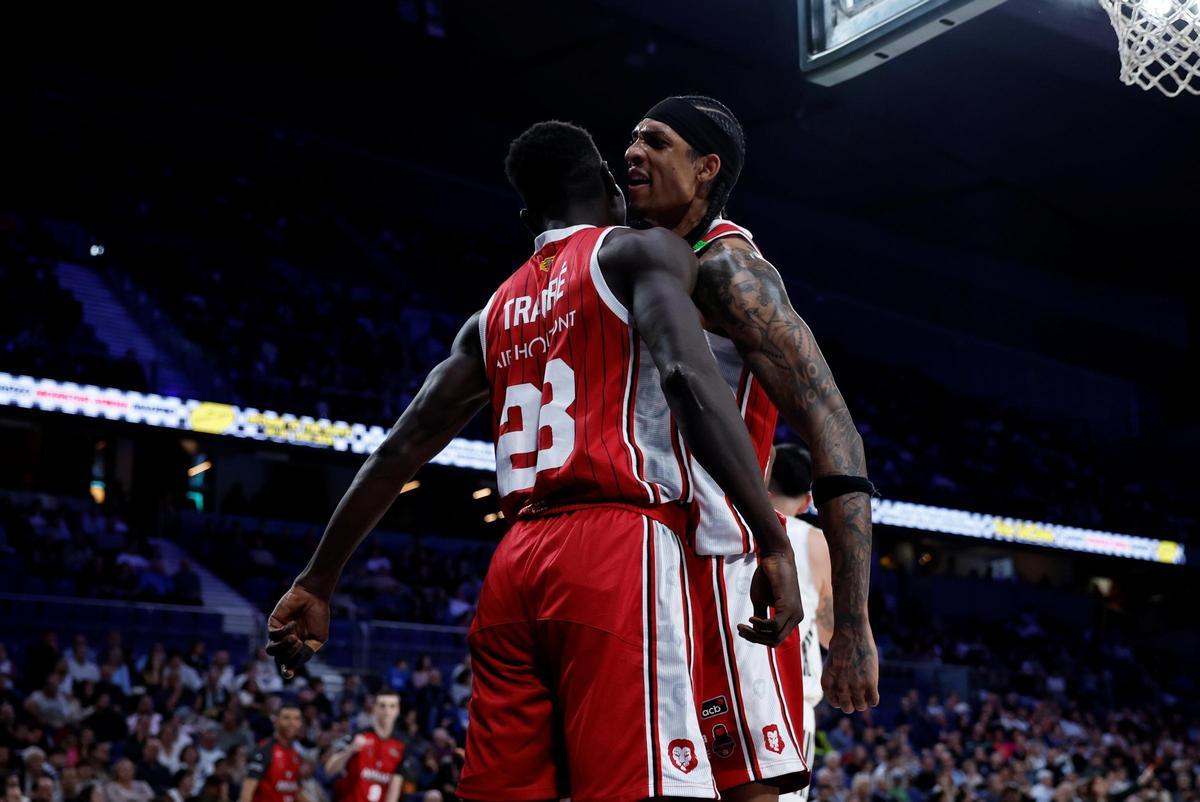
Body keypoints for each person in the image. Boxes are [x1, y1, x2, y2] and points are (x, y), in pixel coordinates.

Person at [266, 120, 801, 801]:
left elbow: (403, 447)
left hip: (513, 567)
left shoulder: (490, 314)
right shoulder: (640, 252)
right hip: (616, 545)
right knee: (640, 786)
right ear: (609, 189)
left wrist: (318, 579)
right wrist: (769, 537)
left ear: (529, 217)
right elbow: (690, 380)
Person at [625, 96, 879, 799]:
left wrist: (853, 625)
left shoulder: (731, 270)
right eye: (630, 139)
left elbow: (834, 427)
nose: (631, 153)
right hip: (641, 561)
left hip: (719, 563)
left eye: (654, 141)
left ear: (706, 168)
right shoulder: (635, 262)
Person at [768, 444, 833, 802]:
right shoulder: (815, 541)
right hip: (791, 697)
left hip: (723, 686)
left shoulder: (728, 519)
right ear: (808, 500)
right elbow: (831, 634)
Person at [323, 692, 403, 802]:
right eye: (382, 705)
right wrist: (350, 750)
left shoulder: (400, 746)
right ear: (375, 708)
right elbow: (329, 769)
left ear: (397, 710)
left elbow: (394, 789)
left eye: (392, 706)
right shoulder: (359, 735)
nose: (387, 711)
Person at [240, 706, 305, 802]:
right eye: (286, 718)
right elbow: (247, 791)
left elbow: (296, 792)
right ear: (276, 721)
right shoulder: (265, 750)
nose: (292, 723)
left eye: (296, 719)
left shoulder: (296, 754)